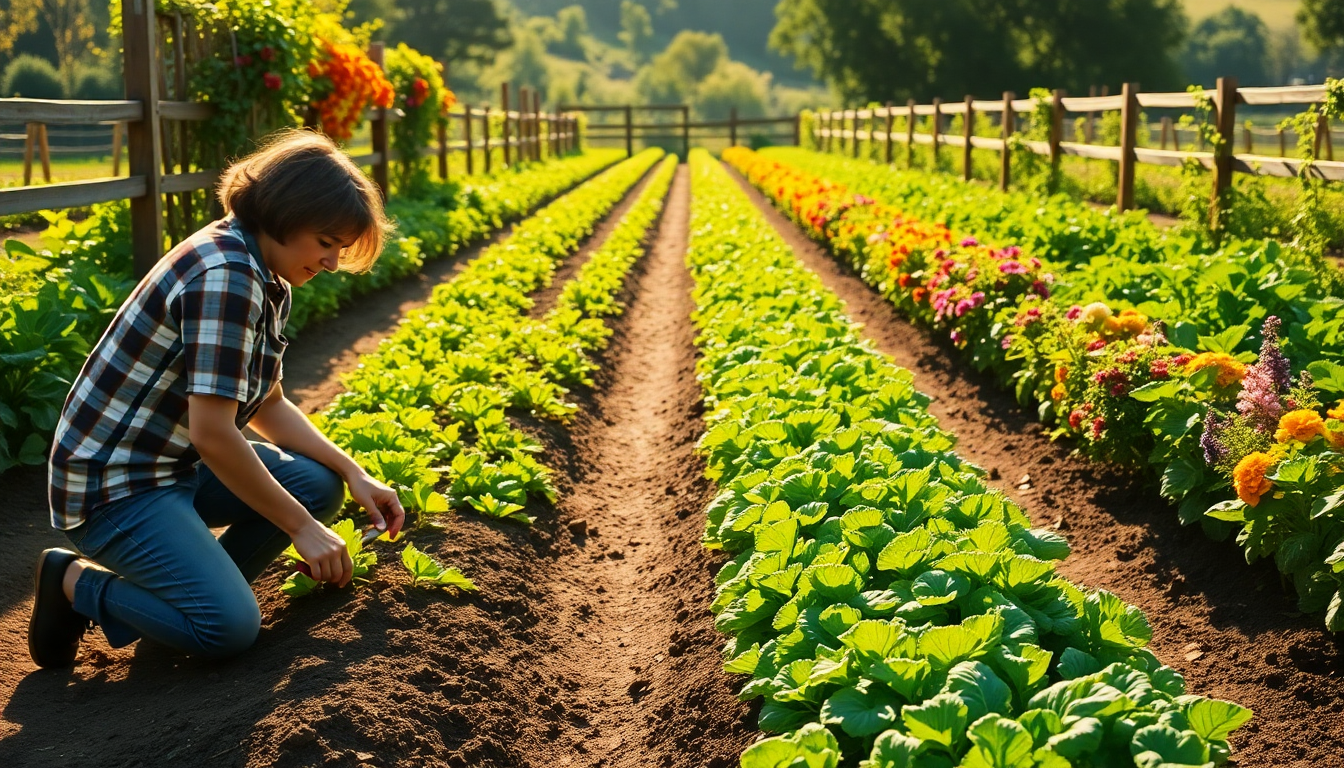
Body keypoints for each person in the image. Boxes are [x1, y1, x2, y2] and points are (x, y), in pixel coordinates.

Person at [28, 129, 406, 668]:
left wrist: (354, 473)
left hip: (171, 466)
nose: (329, 263)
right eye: (326, 242)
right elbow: (214, 433)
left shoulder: (264, 271)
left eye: (339, 251)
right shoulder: (226, 276)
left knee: (318, 484)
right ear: (283, 211)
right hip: (112, 486)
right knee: (228, 629)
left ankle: (185, 601)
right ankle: (74, 583)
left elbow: (268, 404)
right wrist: (300, 528)